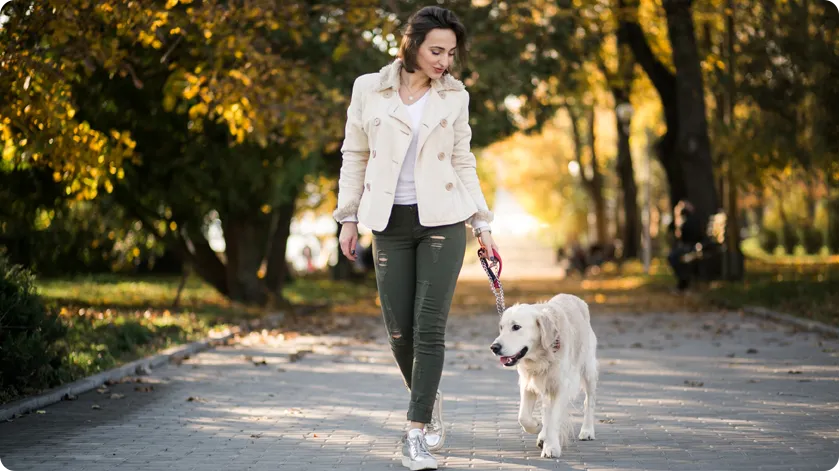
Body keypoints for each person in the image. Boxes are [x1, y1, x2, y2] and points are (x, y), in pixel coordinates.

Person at [332, 6, 499, 470]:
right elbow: (354, 154)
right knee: (399, 331)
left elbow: (463, 161)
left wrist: (481, 224)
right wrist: (348, 218)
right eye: (435, 50)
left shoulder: (454, 96)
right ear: (411, 45)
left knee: (429, 325)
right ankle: (428, 398)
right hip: (389, 223)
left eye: (450, 53)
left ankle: (415, 430)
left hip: (443, 220)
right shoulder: (369, 88)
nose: (444, 61)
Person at [667, 200, 704, 292]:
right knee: (675, 257)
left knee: (675, 257)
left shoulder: (691, 219)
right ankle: (683, 281)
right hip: (690, 246)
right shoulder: (684, 219)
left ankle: (683, 281)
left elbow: (683, 236)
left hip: (692, 247)